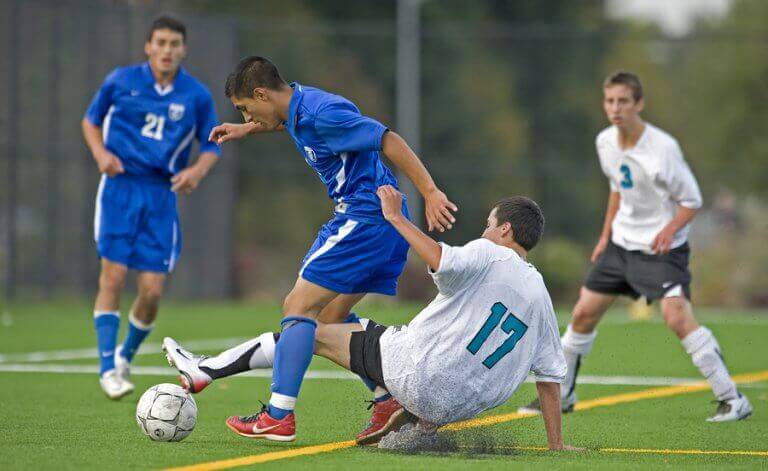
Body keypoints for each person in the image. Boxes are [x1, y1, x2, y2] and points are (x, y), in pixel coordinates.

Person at [165, 187, 571, 449]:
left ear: (504, 230)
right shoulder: (541, 298)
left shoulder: (489, 252)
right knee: (345, 321)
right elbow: (552, 377)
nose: (484, 232)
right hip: (453, 408)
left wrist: (395, 218)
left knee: (309, 328)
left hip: (419, 375)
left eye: (487, 225)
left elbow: (440, 258)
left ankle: (211, 375)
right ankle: (387, 402)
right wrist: (556, 446)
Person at [204, 56, 458, 442]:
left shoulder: (322, 114)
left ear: (260, 93)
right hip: (377, 222)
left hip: (364, 218)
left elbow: (388, 139)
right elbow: (283, 122)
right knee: (330, 321)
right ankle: (389, 399)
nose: (246, 115)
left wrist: (430, 191)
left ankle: (278, 416)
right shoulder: (296, 109)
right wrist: (246, 129)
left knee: (297, 309)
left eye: (245, 108)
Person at [518, 71, 752, 422]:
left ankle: (732, 398)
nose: (615, 108)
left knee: (676, 317)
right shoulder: (605, 142)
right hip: (621, 246)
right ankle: (563, 394)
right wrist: (604, 237)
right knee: (582, 314)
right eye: (610, 101)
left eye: (623, 101)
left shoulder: (663, 148)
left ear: (639, 104)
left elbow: (692, 200)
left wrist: (667, 231)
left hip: (662, 251)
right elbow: (617, 187)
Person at [82, 16, 221, 400]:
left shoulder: (195, 95)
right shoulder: (120, 81)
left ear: (184, 49)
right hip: (119, 189)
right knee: (111, 278)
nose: (167, 50)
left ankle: (126, 354)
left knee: (152, 290)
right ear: (148, 46)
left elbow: (212, 143)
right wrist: (100, 153)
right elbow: (91, 121)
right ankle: (108, 368)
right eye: (160, 42)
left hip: (161, 194)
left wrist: (197, 171)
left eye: (174, 43)